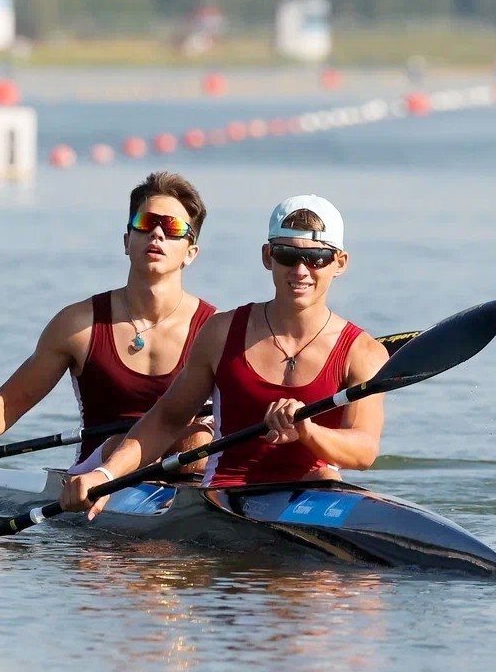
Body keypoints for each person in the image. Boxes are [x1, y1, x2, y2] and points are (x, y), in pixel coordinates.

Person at [60, 193, 389, 519]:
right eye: (287, 255)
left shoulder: (362, 352)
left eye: (317, 258)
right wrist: (105, 475)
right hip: (223, 502)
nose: (301, 271)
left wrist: (308, 432)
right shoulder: (221, 333)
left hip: (311, 499)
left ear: (340, 263)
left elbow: (363, 451)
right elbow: (165, 421)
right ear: (267, 256)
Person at [0, 171, 218, 479]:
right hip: (95, 473)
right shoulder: (79, 326)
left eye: (173, 227)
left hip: (184, 467)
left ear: (190, 253)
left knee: (198, 440)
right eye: (145, 223)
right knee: (124, 444)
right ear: (127, 241)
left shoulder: (217, 330)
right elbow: (11, 402)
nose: (157, 234)